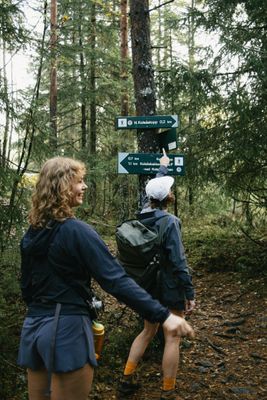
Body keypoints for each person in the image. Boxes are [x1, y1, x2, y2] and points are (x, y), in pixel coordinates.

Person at [17, 156, 194, 400]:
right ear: (63, 186)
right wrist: (163, 315)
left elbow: (27, 288)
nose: (85, 186)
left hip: (34, 328)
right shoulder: (76, 231)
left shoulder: (32, 233)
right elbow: (115, 280)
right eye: (80, 181)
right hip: (66, 328)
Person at [118, 149, 196, 400]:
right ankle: (168, 391)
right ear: (168, 197)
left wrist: (163, 167)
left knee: (148, 331)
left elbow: (153, 190)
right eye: (170, 189)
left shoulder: (143, 213)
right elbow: (178, 261)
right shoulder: (170, 221)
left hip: (148, 284)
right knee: (172, 337)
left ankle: (126, 379)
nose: (171, 191)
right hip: (170, 286)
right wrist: (189, 292)